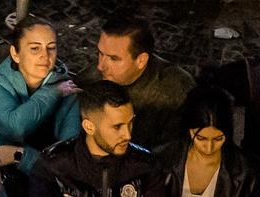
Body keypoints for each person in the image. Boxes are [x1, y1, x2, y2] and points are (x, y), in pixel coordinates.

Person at [0, 17, 83, 175]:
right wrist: (52, 92)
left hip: (48, 182)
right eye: (35, 48)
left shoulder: (67, 90)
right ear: (15, 54)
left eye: (51, 47)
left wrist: (22, 156)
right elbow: (15, 128)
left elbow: (70, 158)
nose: (45, 56)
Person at [30, 81, 164, 197]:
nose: (127, 135)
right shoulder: (52, 168)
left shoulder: (146, 166)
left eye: (130, 123)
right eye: (117, 127)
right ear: (89, 127)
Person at [93, 14, 194, 152]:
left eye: (113, 59)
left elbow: (176, 149)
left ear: (141, 60)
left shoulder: (175, 91)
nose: (100, 66)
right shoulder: (97, 75)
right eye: (100, 53)